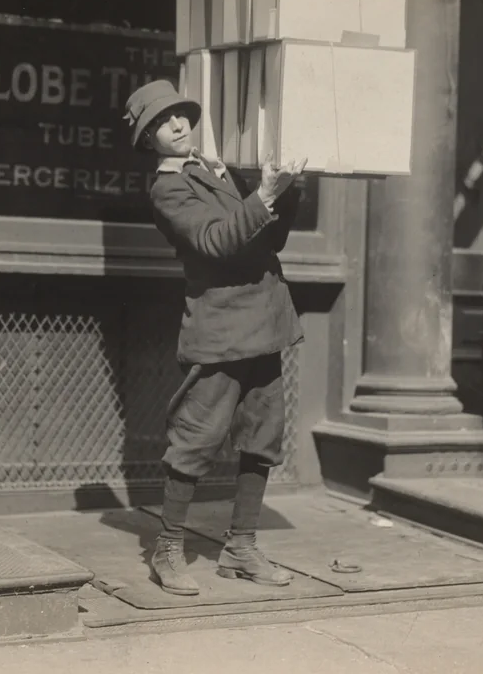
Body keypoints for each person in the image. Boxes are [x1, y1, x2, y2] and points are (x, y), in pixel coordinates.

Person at [124, 79, 306, 596]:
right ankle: (168, 548)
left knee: (263, 439)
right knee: (196, 440)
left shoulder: (214, 168)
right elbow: (216, 241)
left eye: (181, 114)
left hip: (265, 321)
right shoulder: (168, 187)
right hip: (221, 329)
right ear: (149, 139)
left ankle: (241, 547)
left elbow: (268, 237)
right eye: (163, 121)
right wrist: (263, 194)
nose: (178, 125)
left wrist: (289, 191)